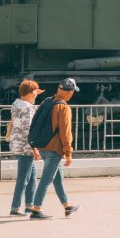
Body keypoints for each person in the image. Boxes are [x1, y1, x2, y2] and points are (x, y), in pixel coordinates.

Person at [30, 78, 81, 219]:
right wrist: (68, 152)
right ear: (69, 92)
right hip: (54, 149)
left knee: (57, 178)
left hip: (42, 146)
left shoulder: (48, 101)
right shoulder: (63, 107)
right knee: (46, 180)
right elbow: (65, 133)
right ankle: (36, 210)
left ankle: (67, 206)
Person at [6, 79, 43, 215]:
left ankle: (29, 205)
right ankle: (15, 208)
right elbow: (28, 130)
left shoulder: (17, 105)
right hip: (25, 147)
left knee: (31, 176)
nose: (36, 95)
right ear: (31, 93)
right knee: (23, 179)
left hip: (18, 144)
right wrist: (35, 148)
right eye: (35, 93)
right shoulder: (27, 108)